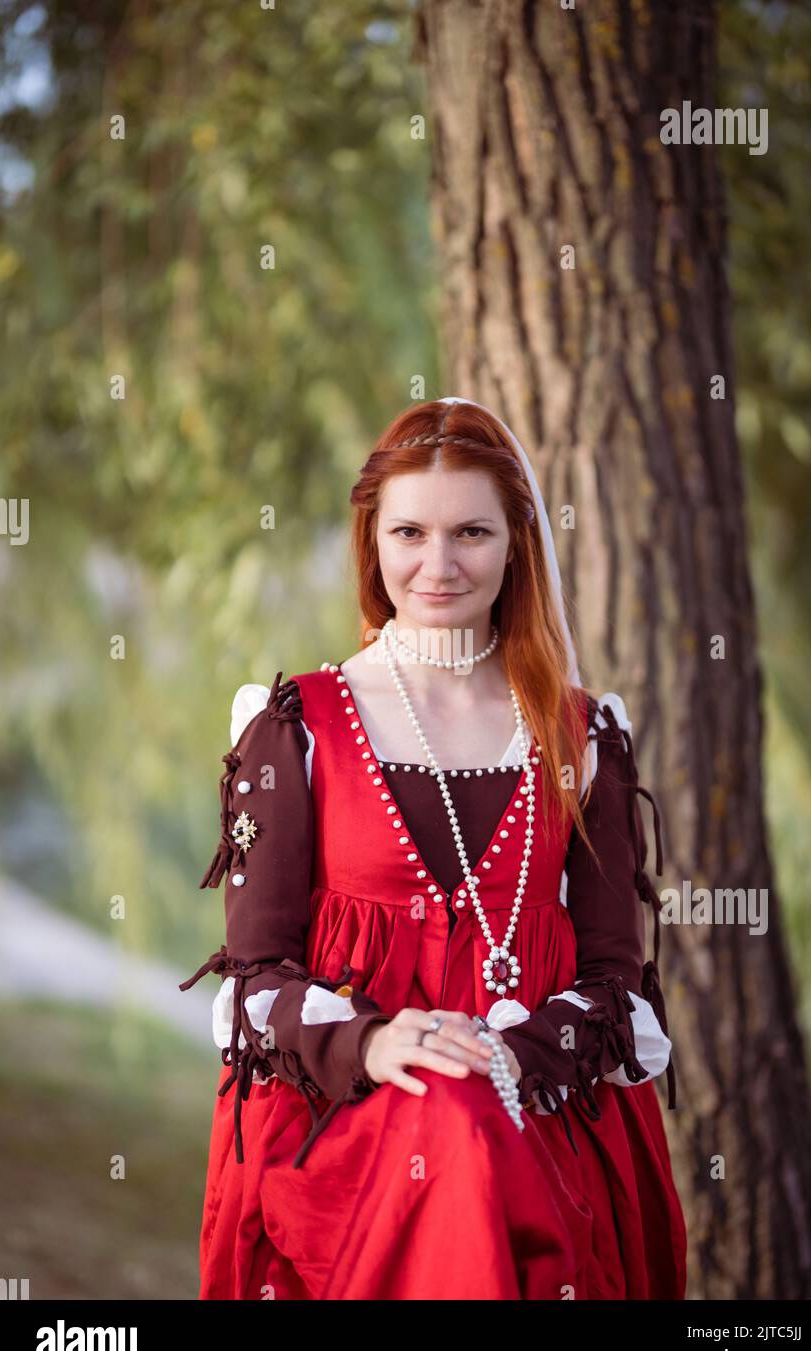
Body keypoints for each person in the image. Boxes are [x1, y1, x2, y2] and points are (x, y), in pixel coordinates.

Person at [179, 395, 687, 1300]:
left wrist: (507, 1058)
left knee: (465, 1121)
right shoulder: (295, 726)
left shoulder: (584, 736)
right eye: (409, 531)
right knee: (446, 1123)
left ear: (516, 544)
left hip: (538, 1110)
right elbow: (256, 978)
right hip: (341, 1116)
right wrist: (374, 1046)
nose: (439, 565)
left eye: (472, 534)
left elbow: (615, 979)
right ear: (373, 537)